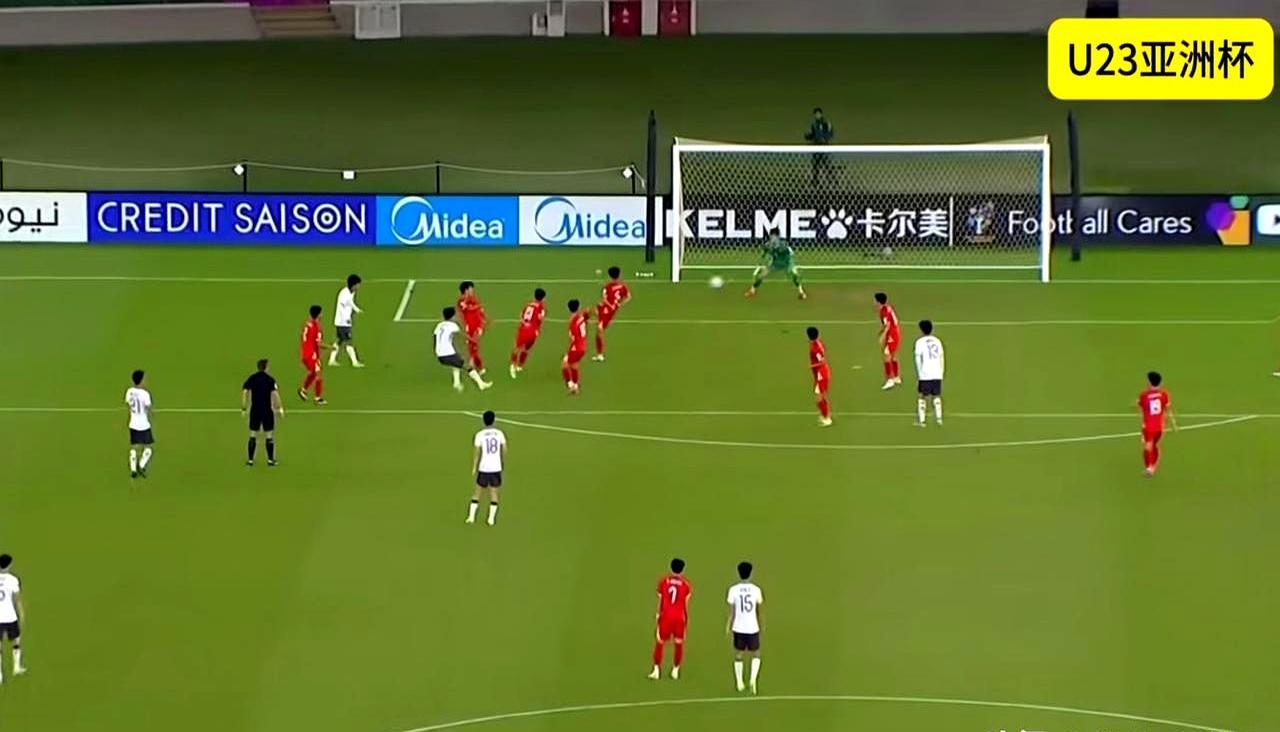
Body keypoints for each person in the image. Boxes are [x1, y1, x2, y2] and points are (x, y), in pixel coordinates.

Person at [650, 557, 692, 681]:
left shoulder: (663, 582)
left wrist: (658, 614)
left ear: (671, 568)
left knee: (660, 642)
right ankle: (675, 670)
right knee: (678, 643)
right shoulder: (686, 585)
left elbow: (661, 600)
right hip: (679, 618)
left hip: (666, 616)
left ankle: (656, 670)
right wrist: (686, 619)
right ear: (682, 570)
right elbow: (685, 604)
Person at [726, 561, 763, 694]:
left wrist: (728, 625)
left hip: (738, 626)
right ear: (750, 573)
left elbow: (732, 611)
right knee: (756, 653)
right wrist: (760, 624)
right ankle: (753, 680)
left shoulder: (733, 590)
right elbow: (757, 610)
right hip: (752, 626)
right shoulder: (756, 590)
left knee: (738, 654)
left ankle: (739, 682)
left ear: (738, 573)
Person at [434, 307, 491, 392]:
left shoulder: (439, 325)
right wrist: (473, 340)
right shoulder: (453, 325)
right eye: (455, 315)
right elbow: (462, 335)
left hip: (440, 354)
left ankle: (456, 383)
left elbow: (435, 338)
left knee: (456, 362)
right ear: (452, 316)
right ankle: (481, 384)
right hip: (447, 354)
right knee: (468, 366)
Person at [242, 358, 284, 467]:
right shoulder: (270, 379)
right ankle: (270, 460)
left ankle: (250, 460)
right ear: (266, 367)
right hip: (266, 411)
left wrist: (244, 406)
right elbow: (275, 394)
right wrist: (279, 408)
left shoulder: (252, 378)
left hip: (255, 410)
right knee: (269, 436)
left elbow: (245, 390)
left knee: (252, 435)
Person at [467, 410, 506, 526]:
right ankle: (491, 519)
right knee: (494, 493)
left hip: (484, 467)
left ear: (483, 421)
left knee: (477, 492)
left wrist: (474, 466)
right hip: (496, 468)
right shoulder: (499, 433)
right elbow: (504, 448)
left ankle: (471, 517)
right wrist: (502, 462)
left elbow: (477, 452)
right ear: (494, 420)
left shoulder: (480, 434)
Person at [744, 230, 806, 300]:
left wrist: (789, 263)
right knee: (761, 275)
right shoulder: (768, 245)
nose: (772, 239)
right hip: (776, 263)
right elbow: (764, 252)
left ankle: (801, 292)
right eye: (771, 237)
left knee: (794, 275)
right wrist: (764, 258)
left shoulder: (783, 244)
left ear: (778, 237)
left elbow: (790, 254)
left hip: (787, 262)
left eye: (774, 237)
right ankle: (752, 291)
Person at [1139, 371, 1176, 476]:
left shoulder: (1144, 395)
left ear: (1149, 382)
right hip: (1159, 427)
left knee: (1148, 447)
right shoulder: (1164, 394)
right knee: (1154, 445)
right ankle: (1153, 467)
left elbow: (1141, 409)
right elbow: (1168, 409)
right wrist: (1173, 423)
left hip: (1149, 427)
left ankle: (1149, 468)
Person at [593, 266, 631, 362]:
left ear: (610, 276)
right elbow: (628, 297)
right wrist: (619, 304)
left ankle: (600, 355)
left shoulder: (607, 287)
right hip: (609, 309)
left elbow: (604, 299)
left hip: (607, 310)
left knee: (599, 329)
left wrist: (607, 305)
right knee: (597, 321)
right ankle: (599, 354)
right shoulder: (623, 286)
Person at [509, 287, 547, 379]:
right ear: (543, 298)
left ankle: (513, 366)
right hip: (533, 331)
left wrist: (524, 323)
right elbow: (541, 318)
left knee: (517, 347)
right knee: (526, 349)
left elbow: (521, 315)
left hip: (524, 329)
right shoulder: (541, 307)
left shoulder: (528, 305)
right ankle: (520, 366)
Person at [913, 320, 945, 427]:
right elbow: (941, 357)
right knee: (936, 395)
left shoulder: (919, 342)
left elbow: (918, 359)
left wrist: (920, 374)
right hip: (937, 372)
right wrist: (941, 372)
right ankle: (939, 419)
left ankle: (922, 421)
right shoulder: (937, 341)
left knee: (922, 396)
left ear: (921, 330)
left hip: (925, 373)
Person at [329, 274, 365, 368]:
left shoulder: (351, 292)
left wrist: (357, 309)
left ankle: (331, 360)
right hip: (343, 322)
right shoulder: (344, 294)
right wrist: (347, 320)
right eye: (358, 285)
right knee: (349, 341)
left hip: (341, 322)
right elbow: (344, 307)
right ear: (353, 285)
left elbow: (351, 302)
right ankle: (354, 362)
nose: (359, 287)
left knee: (339, 341)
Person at [0, 554, 25, 684]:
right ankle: (16, 667)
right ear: (9, 564)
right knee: (16, 641)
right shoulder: (13, 580)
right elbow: (17, 600)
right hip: (10, 616)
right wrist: (21, 614)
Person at [125, 369, 154, 478]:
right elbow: (148, 407)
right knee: (148, 448)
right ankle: (141, 465)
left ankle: (133, 469)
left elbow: (128, 403)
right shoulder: (145, 394)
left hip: (133, 423)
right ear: (141, 380)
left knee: (134, 447)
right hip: (144, 424)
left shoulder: (129, 391)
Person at [457, 281, 488, 374]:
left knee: (473, 348)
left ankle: (479, 367)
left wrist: (483, 321)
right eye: (471, 289)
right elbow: (466, 308)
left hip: (477, 327)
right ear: (466, 290)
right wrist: (475, 306)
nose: (472, 291)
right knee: (472, 348)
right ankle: (477, 365)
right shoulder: (461, 301)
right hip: (469, 328)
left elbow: (480, 310)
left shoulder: (474, 299)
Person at [298, 305, 326, 405]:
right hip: (312, 354)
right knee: (318, 375)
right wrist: (331, 347)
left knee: (313, 373)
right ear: (319, 314)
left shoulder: (307, 324)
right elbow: (319, 344)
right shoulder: (316, 327)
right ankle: (317, 398)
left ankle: (303, 390)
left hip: (304, 354)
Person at [874, 292, 902, 390]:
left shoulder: (884, 311)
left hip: (892, 334)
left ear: (878, 302)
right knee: (893, 355)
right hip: (895, 332)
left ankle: (890, 380)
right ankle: (896, 377)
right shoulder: (887, 308)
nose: (874, 303)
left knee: (887, 355)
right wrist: (881, 332)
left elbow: (888, 325)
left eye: (875, 301)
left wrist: (883, 336)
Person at [806, 327, 833, 427]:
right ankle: (825, 415)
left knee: (819, 397)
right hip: (821, 372)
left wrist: (812, 365)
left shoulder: (815, 348)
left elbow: (821, 361)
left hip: (821, 374)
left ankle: (827, 418)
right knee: (821, 395)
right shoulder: (817, 343)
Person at [562, 299, 589, 394]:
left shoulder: (572, 322)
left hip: (576, 346)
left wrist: (571, 348)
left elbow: (574, 337)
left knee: (565, 365)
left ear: (568, 309)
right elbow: (586, 315)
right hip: (583, 345)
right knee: (574, 365)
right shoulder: (581, 316)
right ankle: (575, 385)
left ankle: (571, 385)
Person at [804, 107, 835, 186]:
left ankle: (832, 180)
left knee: (827, 164)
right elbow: (813, 134)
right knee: (815, 165)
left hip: (824, 146)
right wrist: (808, 136)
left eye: (818, 114)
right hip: (816, 146)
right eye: (816, 114)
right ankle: (815, 181)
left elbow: (830, 133)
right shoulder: (813, 124)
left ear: (821, 114)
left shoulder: (826, 123)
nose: (817, 115)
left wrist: (824, 138)